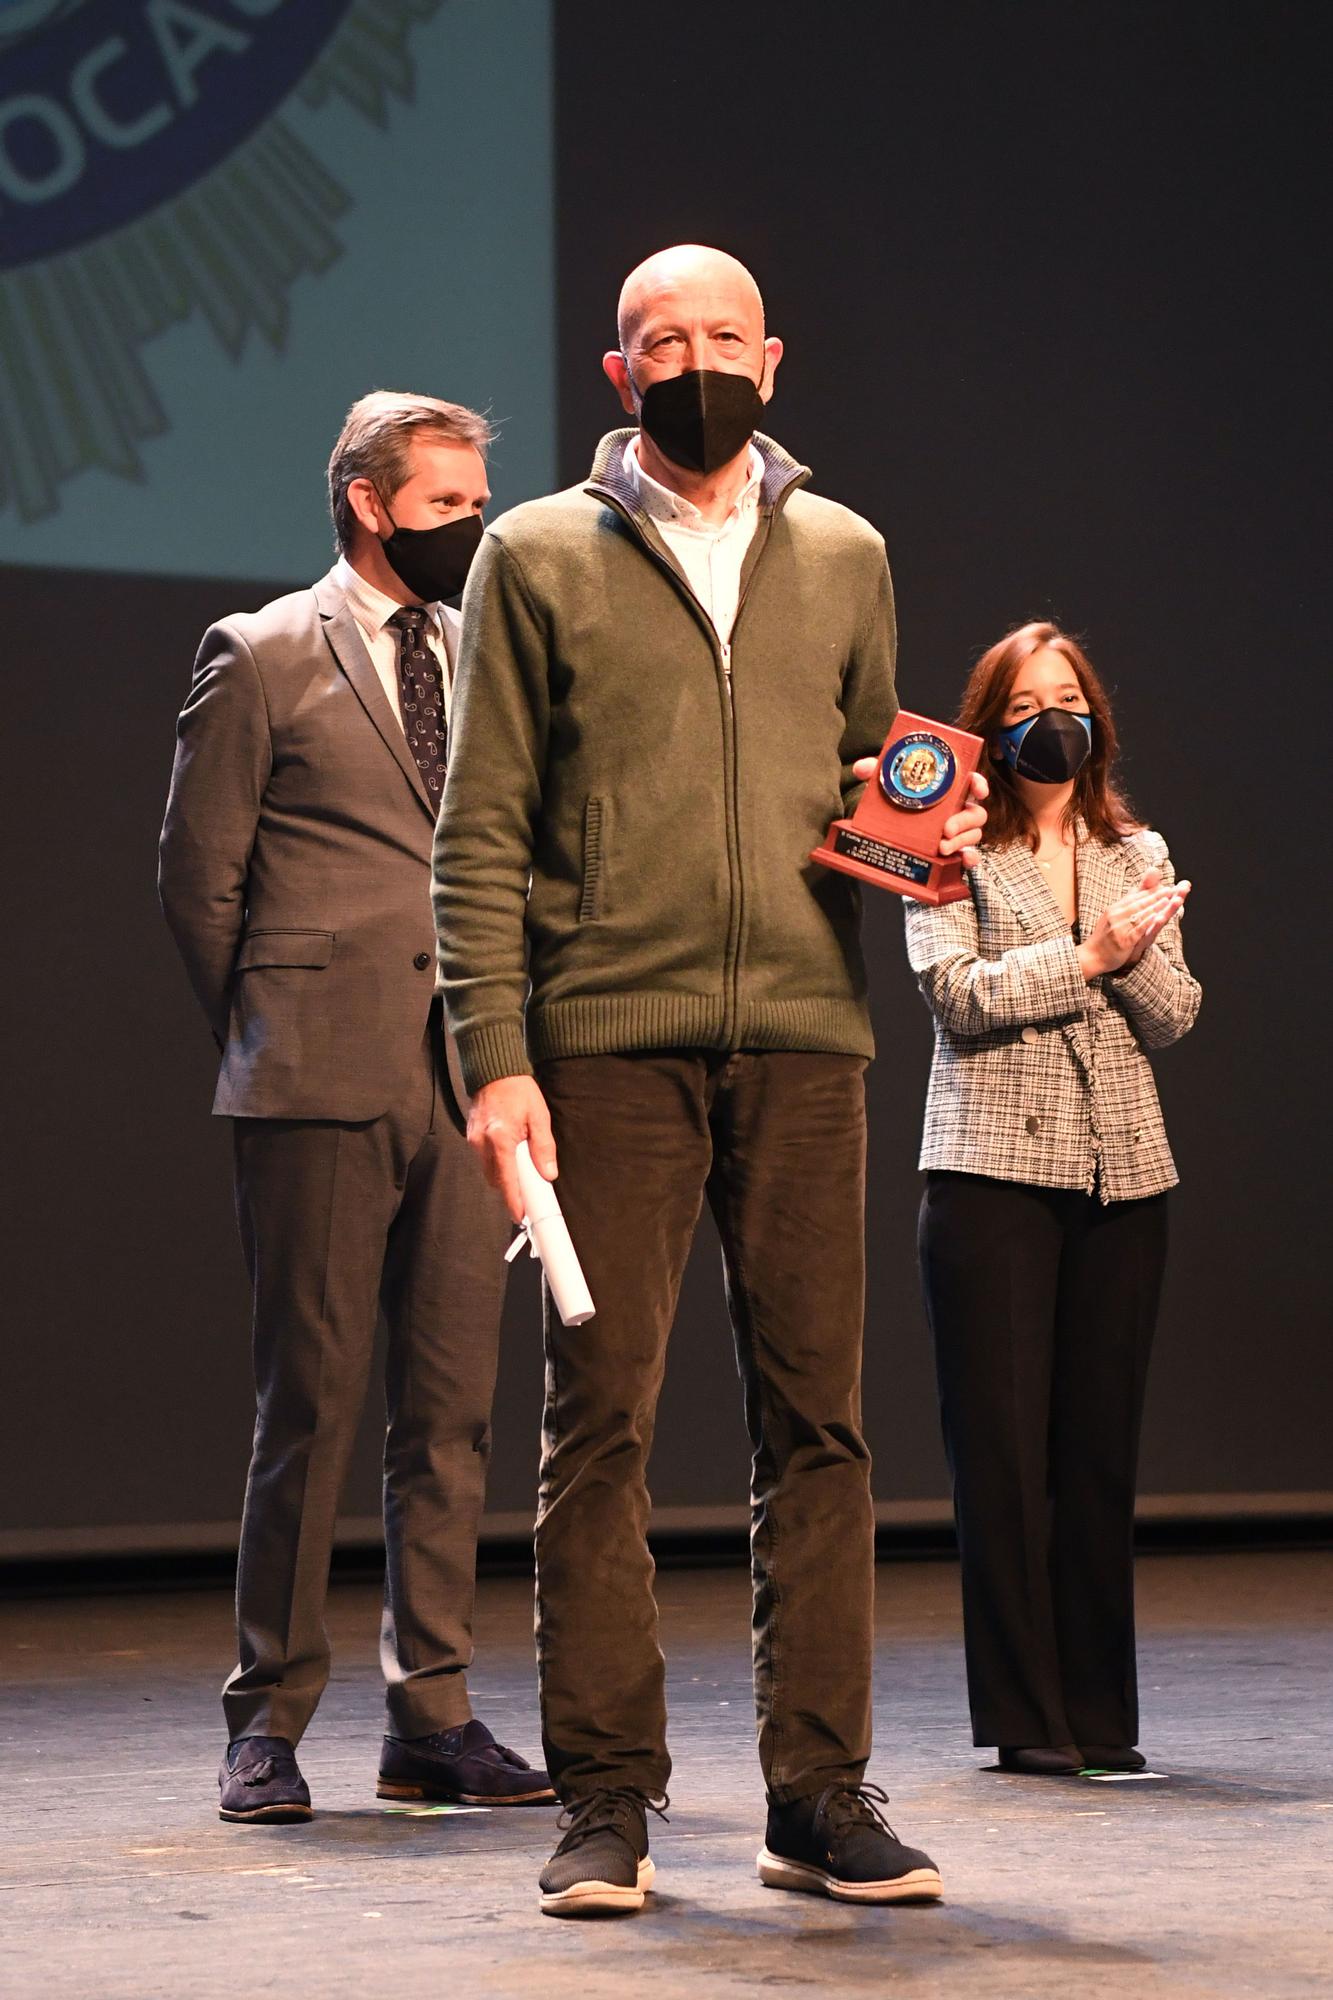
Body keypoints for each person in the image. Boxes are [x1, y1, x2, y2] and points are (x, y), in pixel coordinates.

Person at [432, 245, 987, 1916]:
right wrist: (493, 1057)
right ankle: (604, 1796)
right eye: (658, 339)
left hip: (808, 1036)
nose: (694, 358)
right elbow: (478, 829)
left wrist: (922, 843)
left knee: (818, 1426)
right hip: (603, 1042)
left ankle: (815, 1794)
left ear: (773, 359)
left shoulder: (845, 552)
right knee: (595, 1429)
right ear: (615, 374)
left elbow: (853, 776)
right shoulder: (532, 554)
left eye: (721, 335)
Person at [158, 392, 553, 1824]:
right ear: (371, 504)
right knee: (309, 1405)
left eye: (477, 500)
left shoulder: (490, 658)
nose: (475, 526)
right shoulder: (261, 653)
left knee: (449, 1411)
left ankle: (429, 1713)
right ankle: (265, 1717)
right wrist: (275, 1028)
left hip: (467, 1082)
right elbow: (199, 885)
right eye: (447, 502)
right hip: (315, 1073)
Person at [905, 620, 1201, 1777]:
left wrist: (1127, 952)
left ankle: (1100, 1711)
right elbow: (953, 994)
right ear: (990, 725)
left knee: (1096, 1452)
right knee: (999, 1455)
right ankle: (1026, 1716)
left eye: (1067, 695)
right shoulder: (946, 841)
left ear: (1096, 716)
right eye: (1025, 700)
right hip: (989, 1172)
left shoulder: (1137, 846)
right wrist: (1084, 958)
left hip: (1123, 1171)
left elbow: (1178, 1013)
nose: (1051, 716)